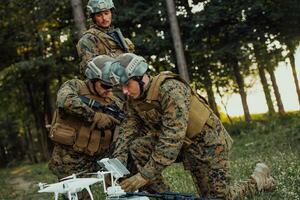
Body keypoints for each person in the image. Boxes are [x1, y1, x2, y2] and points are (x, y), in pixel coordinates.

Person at [107, 53, 276, 199]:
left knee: (219, 199)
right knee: (138, 147)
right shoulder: (134, 101)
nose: (124, 92)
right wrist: (117, 165)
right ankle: (168, 197)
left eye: (127, 85)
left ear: (140, 77)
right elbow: (126, 132)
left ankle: (258, 180)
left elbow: (172, 137)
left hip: (208, 145)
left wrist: (144, 176)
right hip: (184, 147)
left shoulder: (170, 89)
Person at [48, 55, 120, 199]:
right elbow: (66, 100)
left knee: (118, 192)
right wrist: (94, 116)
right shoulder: (74, 86)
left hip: (101, 157)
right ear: (93, 79)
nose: (108, 90)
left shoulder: (112, 100)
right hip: (71, 158)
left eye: (111, 86)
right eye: (105, 85)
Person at [76, 0, 135, 74]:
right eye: (99, 15)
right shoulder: (88, 39)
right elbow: (90, 70)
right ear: (93, 18)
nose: (104, 18)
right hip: (105, 81)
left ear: (111, 13)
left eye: (106, 13)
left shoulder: (116, 36)